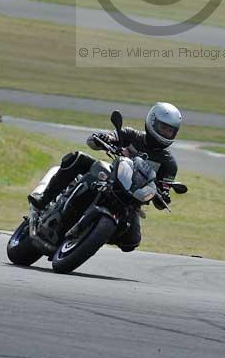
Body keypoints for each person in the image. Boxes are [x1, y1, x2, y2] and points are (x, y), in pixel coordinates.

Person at [28, 102, 182, 252]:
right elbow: (96, 141)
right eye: (163, 128)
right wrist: (103, 138)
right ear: (152, 122)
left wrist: (164, 196)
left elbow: (161, 198)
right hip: (109, 176)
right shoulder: (132, 135)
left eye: (170, 131)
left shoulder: (169, 164)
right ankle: (44, 199)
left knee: (131, 242)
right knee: (77, 159)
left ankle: (91, 234)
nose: (165, 133)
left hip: (131, 200)